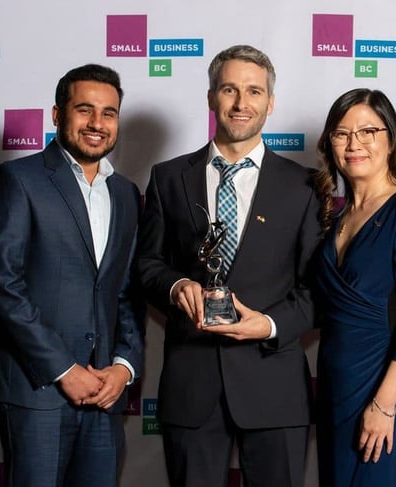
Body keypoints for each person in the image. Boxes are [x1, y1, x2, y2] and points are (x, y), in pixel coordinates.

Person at [137, 45, 320, 487]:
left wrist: (268, 326)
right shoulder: (168, 177)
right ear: (211, 97)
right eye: (229, 90)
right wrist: (176, 285)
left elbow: (317, 289)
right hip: (192, 384)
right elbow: (147, 265)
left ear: (270, 103)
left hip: (274, 385)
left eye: (254, 91)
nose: (241, 103)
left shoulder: (306, 186)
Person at [0, 64, 145, 487]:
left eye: (108, 113)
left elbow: (127, 290)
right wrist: (65, 369)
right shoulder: (18, 179)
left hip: (105, 391)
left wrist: (124, 366)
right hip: (37, 387)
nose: (97, 123)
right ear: (57, 114)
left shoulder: (126, 193)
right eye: (84, 109)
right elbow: (4, 285)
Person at [312, 88, 396, 487]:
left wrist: (384, 405)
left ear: (390, 140)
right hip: (334, 387)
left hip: (382, 387)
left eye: (367, 132)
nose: (354, 144)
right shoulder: (337, 215)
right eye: (342, 134)